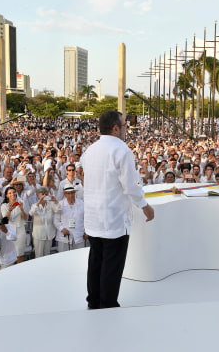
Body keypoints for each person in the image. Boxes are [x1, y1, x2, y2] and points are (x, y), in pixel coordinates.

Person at [82, 110, 154, 309]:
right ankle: (108, 305)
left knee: (96, 262)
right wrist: (145, 206)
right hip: (114, 218)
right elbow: (130, 185)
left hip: (94, 218)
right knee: (111, 267)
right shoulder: (122, 150)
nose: (126, 129)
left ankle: (94, 302)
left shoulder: (91, 150)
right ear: (115, 128)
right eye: (124, 125)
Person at [29, 186, 61, 258]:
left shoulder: (51, 205)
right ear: (38, 195)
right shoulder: (35, 205)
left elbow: (59, 210)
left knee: (47, 255)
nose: (44, 196)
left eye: (46, 194)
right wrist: (39, 202)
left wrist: (55, 201)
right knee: (39, 255)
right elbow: (31, 213)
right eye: (42, 194)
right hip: (38, 235)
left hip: (49, 234)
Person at [54, 185, 86, 251]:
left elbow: (86, 219)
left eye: (72, 193)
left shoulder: (81, 203)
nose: (70, 195)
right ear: (65, 194)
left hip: (79, 236)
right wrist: (62, 229)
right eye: (68, 193)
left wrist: (86, 232)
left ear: (75, 193)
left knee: (79, 257)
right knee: (64, 258)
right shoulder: (60, 204)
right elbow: (56, 220)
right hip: (64, 237)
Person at [1, 186, 28, 263]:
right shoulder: (4, 205)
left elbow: (25, 218)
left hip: (20, 230)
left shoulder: (21, 202)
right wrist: (10, 210)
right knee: (11, 255)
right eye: (10, 193)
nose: (12, 194)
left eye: (13, 192)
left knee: (20, 254)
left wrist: (22, 209)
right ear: (6, 195)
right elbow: (5, 219)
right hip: (9, 231)